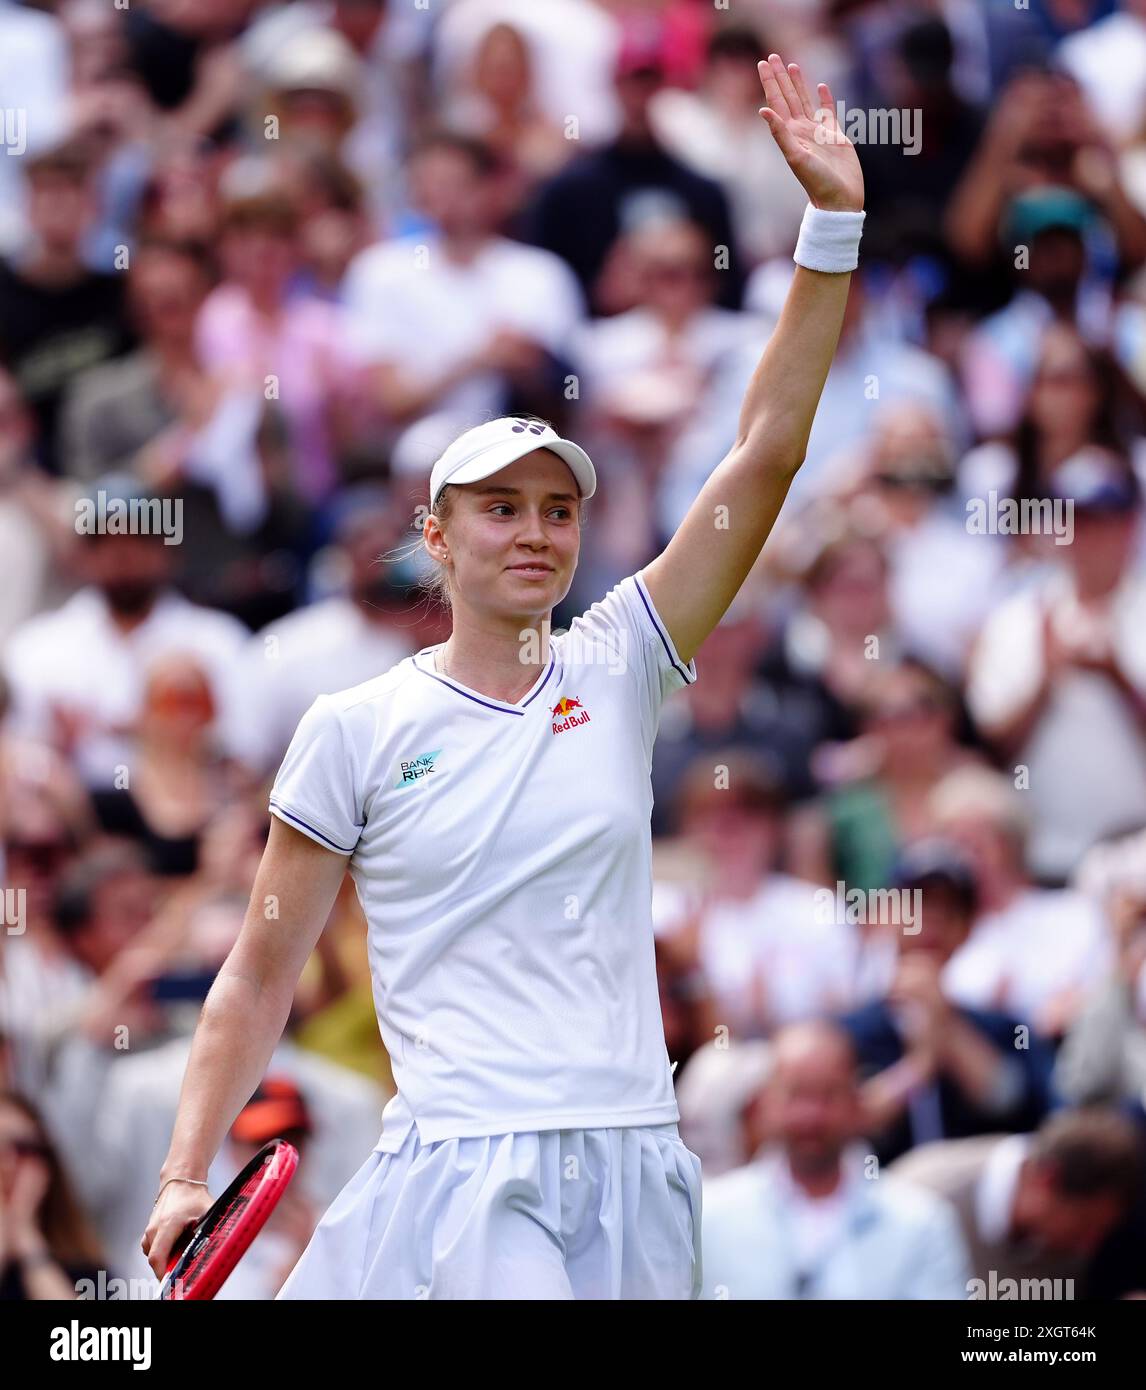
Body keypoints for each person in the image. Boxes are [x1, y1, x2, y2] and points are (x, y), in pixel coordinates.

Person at [141, 52, 867, 1300]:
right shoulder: (354, 725)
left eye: (556, 508)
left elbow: (764, 455)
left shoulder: (624, 659)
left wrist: (831, 229)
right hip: (467, 1169)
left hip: (637, 1157)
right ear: (436, 536)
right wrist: (182, 1172)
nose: (535, 530)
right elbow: (260, 968)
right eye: (499, 509)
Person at [701, 1022, 971, 1299]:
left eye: (828, 1095)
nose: (811, 1116)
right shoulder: (709, 1217)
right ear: (765, 1102)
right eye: (796, 1094)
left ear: (856, 1101)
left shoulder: (921, 1222)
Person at [890, 1106, 1144, 1295]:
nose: (1089, 1246)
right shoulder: (920, 1199)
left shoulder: (1065, 1254)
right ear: (1047, 1179)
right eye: (1085, 1225)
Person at [0, 1090, 103, 1300]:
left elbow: (81, 1333)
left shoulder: (85, 1271)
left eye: (23, 1148)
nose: (8, 1164)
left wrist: (27, 1241)